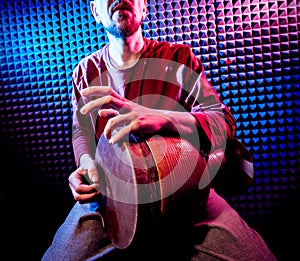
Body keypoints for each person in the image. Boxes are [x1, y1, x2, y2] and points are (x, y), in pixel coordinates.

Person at [42, 0, 278, 260]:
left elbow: (223, 121)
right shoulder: (86, 72)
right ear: (95, 11)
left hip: (184, 189)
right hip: (113, 193)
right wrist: (86, 163)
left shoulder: (179, 59)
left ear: (144, 8)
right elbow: (81, 132)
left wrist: (160, 118)